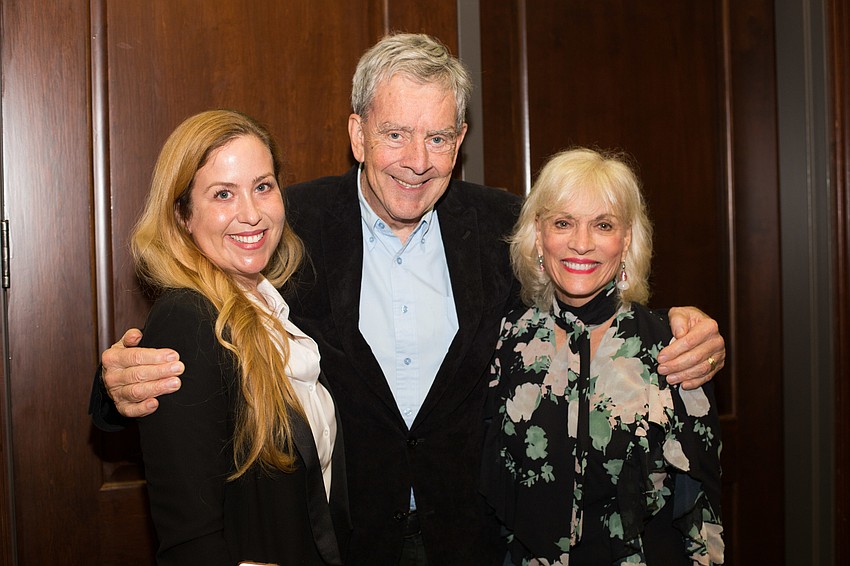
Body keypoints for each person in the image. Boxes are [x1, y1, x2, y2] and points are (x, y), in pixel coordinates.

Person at [90, 34, 726, 565]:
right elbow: (202, 321)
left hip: (474, 539)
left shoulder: (503, 226)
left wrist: (684, 328)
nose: (417, 162)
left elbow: (592, 290)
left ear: (462, 138)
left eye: (439, 138)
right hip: (342, 540)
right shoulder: (285, 227)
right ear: (357, 132)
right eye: (395, 135)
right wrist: (116, 385)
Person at [124, 109, 349, 565]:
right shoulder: (187, 320)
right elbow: (190, 537)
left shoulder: (271, 305)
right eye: (223, 194)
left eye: (263, 187)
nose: (251, 214)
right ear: (183, 215)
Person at [481, 148, 723, 565]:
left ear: (626, 238)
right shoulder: (505, 341)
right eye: (563, 223)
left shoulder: (675, 346)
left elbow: (701, 509)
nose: (581, 243)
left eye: (603, 225)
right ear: (539, 235)